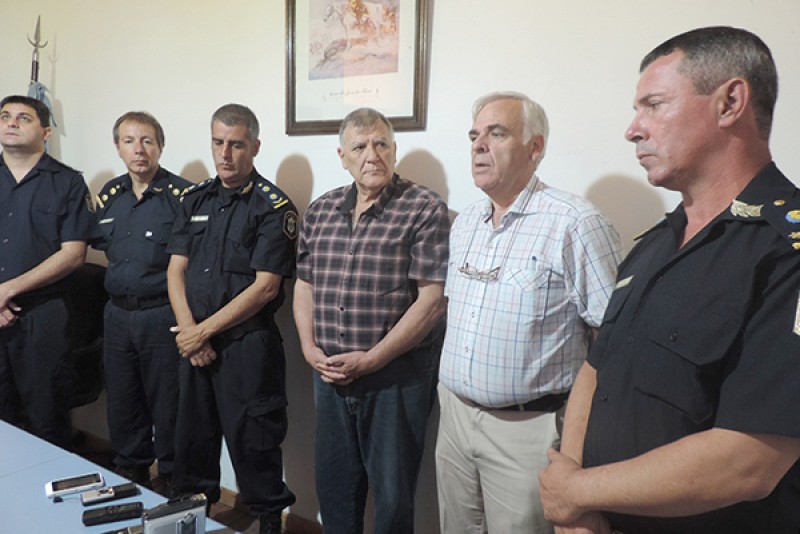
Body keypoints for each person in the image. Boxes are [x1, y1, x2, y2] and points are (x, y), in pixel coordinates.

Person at [539, 26, 800, 534]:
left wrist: (576, 492)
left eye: (654, 105)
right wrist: (576, 495)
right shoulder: (656, 242)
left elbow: (751, 459)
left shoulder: (783, 251)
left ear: (730, 103)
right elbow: (596, 369)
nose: (632, 130)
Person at [436, 92, 622, 534]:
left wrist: (582, 445)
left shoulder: (575, 222)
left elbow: (610, 340)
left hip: (527, 431)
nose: (479, 146)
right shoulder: (465, 224)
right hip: (455, 420)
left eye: (496, 133)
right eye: (474, 136)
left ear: (535, 147)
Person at [294, 107, 450, 533]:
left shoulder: (424, 208)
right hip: (329, 376)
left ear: (394, 150)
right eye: (360, 147)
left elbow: (432, 300)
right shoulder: (321, 211)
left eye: (381, 144)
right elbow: (304, 284)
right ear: (342, 156)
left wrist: (374, 358)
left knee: (393, 497)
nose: (372, 155)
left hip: (395, 379)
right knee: (335, 490)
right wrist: (308, 347)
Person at [166, 104, 296, 534]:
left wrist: (201, 332)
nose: (225, 154)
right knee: (191, 440)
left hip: (246, 345)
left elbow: (266, 287)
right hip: (194, 341)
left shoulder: (273, 207)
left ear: (255, 146)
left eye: (236, 144)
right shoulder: (194, 199)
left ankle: (268, 519)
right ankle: (189, 522)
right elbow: (175, 269)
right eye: (218, 143)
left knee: (255, 444)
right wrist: (190, 332)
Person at [90, 112, 191, 489]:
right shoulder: (109, 196)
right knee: (123, 400)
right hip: (117, 314)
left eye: (147, 141)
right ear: (118, 147)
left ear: (160, 146)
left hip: (161, 315)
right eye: (129, 141)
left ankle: (173, 479)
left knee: (169, 404)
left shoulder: (182, 197)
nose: (139, 149)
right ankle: (130, 470)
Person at [0, 95, 94, 448]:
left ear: (46, 131)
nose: (11, 123)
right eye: (5, 116)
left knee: (46, 417)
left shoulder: (67, 182)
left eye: (23, 118)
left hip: (43, 315)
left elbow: (72, 254)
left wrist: (6, 290)